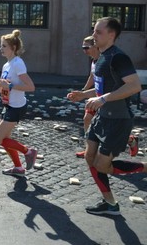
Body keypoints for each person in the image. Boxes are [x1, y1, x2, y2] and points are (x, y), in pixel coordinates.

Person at [66, 17, 145, 216]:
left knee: (102, 164)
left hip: (118, 120)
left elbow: (134, 86)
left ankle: (144, 167)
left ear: (111, 35)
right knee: (89, 157)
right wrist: (83, 94)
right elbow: (102, 88)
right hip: (102, 117)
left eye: (98, 32)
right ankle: (110, 204)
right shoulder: (101, 57)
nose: (94, 35)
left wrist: (103, 100)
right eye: (94, 31)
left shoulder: (118, 57)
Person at [68, 36, 139, 158]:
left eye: (86, 47)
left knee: (109, 132)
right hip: (97, 99)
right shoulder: (95, 61)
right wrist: (84, 92)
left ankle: (130, 140)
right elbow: (94, 79)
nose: (84, 51)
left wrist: (97, 97)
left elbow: (130, 85)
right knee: (87, 119)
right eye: (82, 48)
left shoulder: (110, 59)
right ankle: (89, 149)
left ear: (96, 46)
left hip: (110, 104)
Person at [0, 29, 38, 178]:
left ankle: (28, 152)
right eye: (1, 45)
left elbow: (31, 87)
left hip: (16, 107)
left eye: (4, 46)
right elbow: (2, 89)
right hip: (8, 105)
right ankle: (18, 167)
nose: (1, 48)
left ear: (13, 48)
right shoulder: (7, 65)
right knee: (5, 140)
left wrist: (11, 86)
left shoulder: (18, 63)